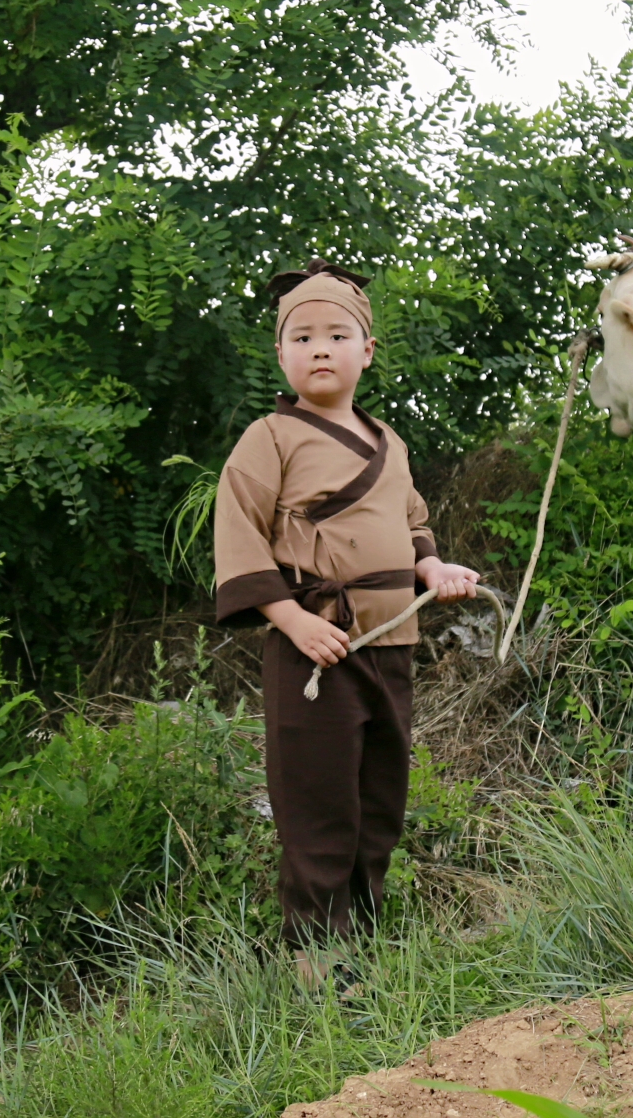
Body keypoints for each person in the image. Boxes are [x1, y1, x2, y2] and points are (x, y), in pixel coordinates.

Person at [213, 260, 482, 986]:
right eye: (302, 336)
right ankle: (311, 956)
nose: (320, 347)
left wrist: (433, 569)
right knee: (318, 803)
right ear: (281, 353)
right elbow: (237, 531)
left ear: (367, 350)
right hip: (316, 653)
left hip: (391, 645)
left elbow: (413, 521)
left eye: (338, 333)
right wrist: (292, 621)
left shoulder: (388, 442)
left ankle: (362, 943)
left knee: (378, 800)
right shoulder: (269, 437)